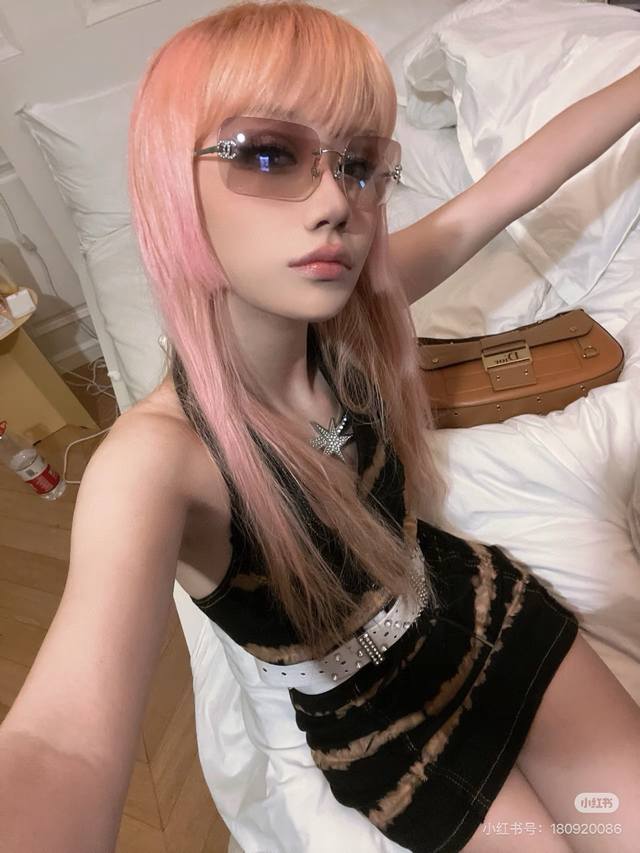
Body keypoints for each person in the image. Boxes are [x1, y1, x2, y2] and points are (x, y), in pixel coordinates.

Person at [1, 2, 639, 851]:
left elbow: (512, 185)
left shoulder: (358, 320)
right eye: (268, 154)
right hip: (384, 727)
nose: (336, 198)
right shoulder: (158, 460)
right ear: (169, 182)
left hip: (479, 604)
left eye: (360, 163)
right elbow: (62, 743)